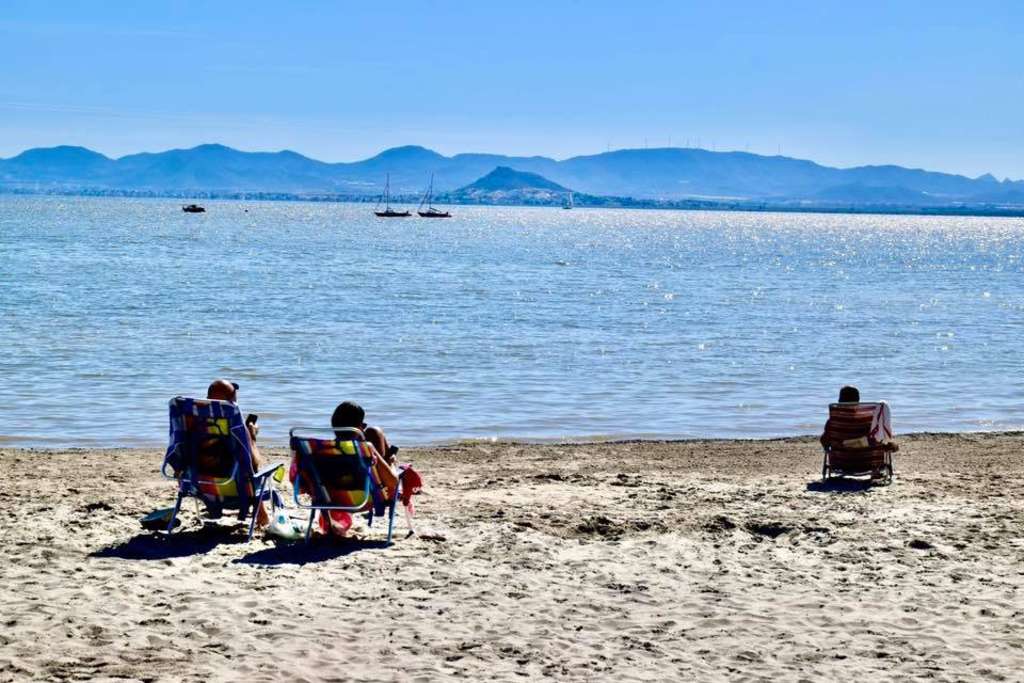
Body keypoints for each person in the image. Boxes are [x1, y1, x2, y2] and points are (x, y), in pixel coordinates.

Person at [205, 378, 269, 526]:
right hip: (234, 486)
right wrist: (251, 436)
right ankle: (261, 512)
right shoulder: (235, 423)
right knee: (250, 466)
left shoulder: (193, 421)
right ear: (232, 401)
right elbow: (253, 462)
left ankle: (214, 509)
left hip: (202, 484)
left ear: (207, 398)